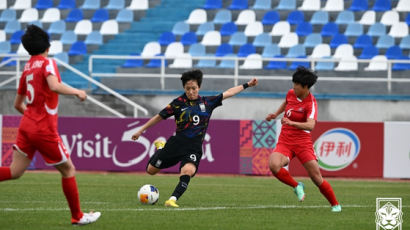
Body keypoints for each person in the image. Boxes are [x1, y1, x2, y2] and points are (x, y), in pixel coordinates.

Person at [0, 25, 101, 225]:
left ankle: (78, 215)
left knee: (14, 171)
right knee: (68, 169)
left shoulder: (27, 69)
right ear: (47, 46)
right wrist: (77, 92)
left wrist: (31, 117)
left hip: (26, 126)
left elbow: (17, 104)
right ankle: (77, 216)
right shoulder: (47, 63)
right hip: (42, 128)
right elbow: (54, 86)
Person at [132, 69, 257, 207]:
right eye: (188, 89)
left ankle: (172, 199)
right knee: (151, 171)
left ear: (199, 87)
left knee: (188, 171)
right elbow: (159, 116)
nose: (191, 92)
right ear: (184, 88)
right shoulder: (177, 103)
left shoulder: (207, 102)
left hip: (194, 148)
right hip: (176, 144)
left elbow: (229, 92)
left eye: (194, 88)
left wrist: (247, 85)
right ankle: (161, 148)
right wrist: (140, 130)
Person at [265, 67, 341, 212]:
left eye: (296, 85)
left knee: (316, 177)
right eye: (293, 84)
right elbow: (286, 103)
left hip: (302, 143)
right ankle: (296, 186)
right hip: (285, 140)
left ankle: (335, 204)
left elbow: (311, 125)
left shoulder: (311, 103)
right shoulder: (291, 93)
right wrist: (275, 114)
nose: (293, 87)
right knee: (274, 165)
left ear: (305, 87)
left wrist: (292, 123)